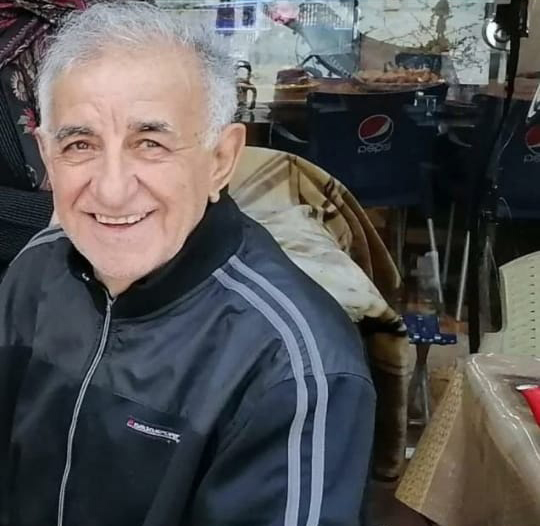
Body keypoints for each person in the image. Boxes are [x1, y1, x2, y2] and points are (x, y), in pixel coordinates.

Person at [0, 3, 375, 525]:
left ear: (221, 159)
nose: (111, 190)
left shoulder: (292, 365)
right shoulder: (35, 273)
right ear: (47, 155)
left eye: (151, 144)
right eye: (80, 144)